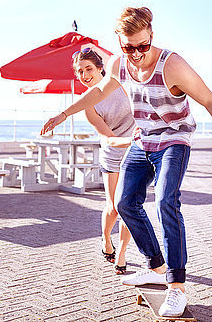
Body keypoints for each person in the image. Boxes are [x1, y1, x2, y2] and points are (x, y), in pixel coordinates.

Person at [42, 7, 212, 317]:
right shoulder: (119, 64)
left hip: (174, 140)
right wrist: (62, 114)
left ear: (151, 37)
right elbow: (98, 92)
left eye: (142, 46)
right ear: (119, 42)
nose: (135, 54)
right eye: (128, 47)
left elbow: (211, 101)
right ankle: (155, 266)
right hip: (143, 140)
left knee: (166, 202)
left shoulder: (171, 65)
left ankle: (176, 288)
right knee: (124, 202)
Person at [72, 47, 135, 274]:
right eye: (80, 71)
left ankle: (122, 251)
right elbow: (109, 138)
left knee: (129, 206)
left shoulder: (120, 84)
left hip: (136, 152)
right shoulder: (87, 105)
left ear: (101, 69)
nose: (84, 74)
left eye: (89, 68)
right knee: (114, 207)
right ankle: (106, 237)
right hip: (113, 153)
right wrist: (135, 140)